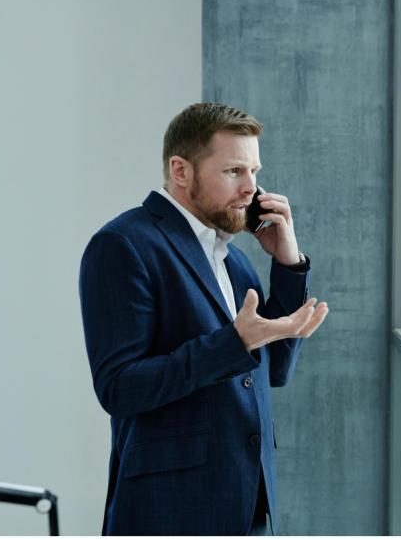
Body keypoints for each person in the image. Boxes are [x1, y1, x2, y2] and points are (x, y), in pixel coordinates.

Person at [78, 102, 328, 535]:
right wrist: (234, 343)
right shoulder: (122, 245)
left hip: (249, 507)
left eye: (254, 171)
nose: (252, 188)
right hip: (172, 512)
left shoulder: (233, 262)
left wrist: (288, 263)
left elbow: (276, 371)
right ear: (181, 171)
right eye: (234, 171)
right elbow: (118, 387)